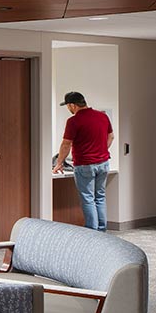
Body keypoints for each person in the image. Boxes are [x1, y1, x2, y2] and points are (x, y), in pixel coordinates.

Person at [52, 91, 114, 232]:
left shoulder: (73, 121)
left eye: (68, 106)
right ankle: (102, 230)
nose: (68, 109)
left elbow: (66, 144)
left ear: (72, 105)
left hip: (85, 165)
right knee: (100, 197)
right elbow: (111, 136)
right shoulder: (102, 116)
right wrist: (101, 150)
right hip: (103, 163)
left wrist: (59, 162)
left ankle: (92, 231)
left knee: (88, 198)